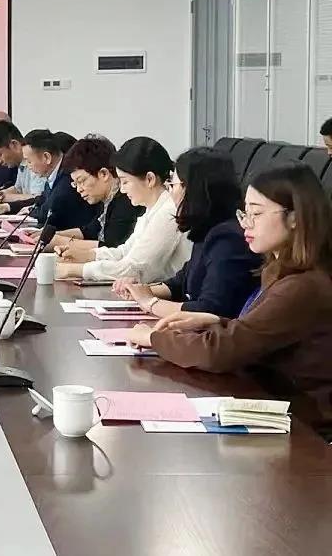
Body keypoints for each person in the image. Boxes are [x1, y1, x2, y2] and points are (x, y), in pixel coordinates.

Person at [128, 163, 332, 428]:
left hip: (304, 427)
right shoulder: (277, 271)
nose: (246, 223)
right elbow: (260, 333)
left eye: (256, 213)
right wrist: (217, 322)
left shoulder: (303, 287)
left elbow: (221, 351)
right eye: (244, 213)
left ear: (295, 218)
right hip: (272, 407)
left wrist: (153, 338)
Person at [116, 148, 261, 319]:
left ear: (192, 189)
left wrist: (150, 303)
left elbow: (209, 309)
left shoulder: (227, 239)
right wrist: (141, 290)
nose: (170, 192)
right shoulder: (207, 230)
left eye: (173, 185)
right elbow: (180, 283)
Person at [56, 137, 190, 282]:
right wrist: (87, 255)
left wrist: (75, 270)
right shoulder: (152, 209)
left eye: (125, 182)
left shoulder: (168, 211)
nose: (122, 190)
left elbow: (134, 270)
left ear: (150, 179)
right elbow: (125, 252)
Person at [49, 135, 142, 251]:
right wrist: (51, 235)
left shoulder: (126, 200)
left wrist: (59, 242)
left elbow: (112, 248)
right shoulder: (106, 199)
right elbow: (89, 231)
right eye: (75, 184)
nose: (79, 189)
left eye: (81, 181)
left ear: (104, 174)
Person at [1, 129, 98, 231]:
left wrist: (30, 211)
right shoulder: (54, 173)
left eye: (29, 161)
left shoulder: (67, 176)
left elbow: (47, 212)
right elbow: (41, 200)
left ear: (47, 157)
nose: (28, 167)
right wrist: (9, 206)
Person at [0, 120, 47, 202]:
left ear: (14, 145)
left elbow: (36, 198)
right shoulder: (21, 164)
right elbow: (17, 190)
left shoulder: (35, 161)